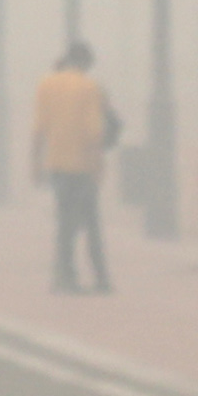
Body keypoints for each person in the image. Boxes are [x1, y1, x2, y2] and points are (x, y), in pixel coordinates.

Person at [30, 40, 119, 295]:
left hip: (56, 164)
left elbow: (38, 129)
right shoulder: (89, 87)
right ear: (86, 63)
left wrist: (35, 163)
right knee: (90, 223)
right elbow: (94, 132)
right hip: (82, 165)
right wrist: (98, 166)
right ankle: (99, 277)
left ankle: (64, 275)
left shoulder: (46, 85)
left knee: (65, 223)